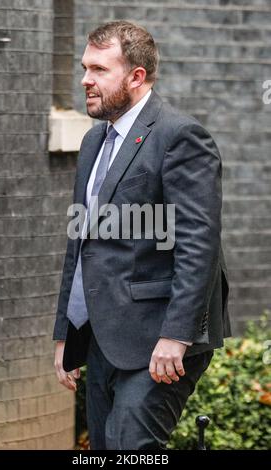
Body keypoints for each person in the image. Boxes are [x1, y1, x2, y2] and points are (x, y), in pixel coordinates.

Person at [53, 20, 231, 450]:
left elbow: (198, 244)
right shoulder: (94, 142)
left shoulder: (179, 136)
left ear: (136, 76)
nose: (85, 79)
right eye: (84, 67)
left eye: (98, 69)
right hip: (101, 338)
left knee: (131, 449)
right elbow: (82, 243)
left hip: (159, 342)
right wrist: (65, 333)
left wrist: (177, 335)